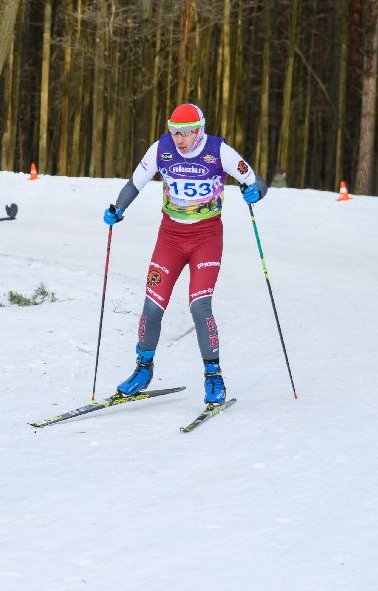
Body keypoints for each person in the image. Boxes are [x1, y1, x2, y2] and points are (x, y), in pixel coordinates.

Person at [101, 102, 267, 406]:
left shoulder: (219, 151)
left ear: (199, 131)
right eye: (175, 132)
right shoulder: (161, 149)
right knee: (152, 306)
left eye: (186, 133)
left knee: (199, 306)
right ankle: (143, 369)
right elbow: (134, 183)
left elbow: (254, 180)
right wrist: (118, 208)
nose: (179, 139)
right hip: (170, 238)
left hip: (206, 238)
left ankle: (214, 376)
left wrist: (255, 191)